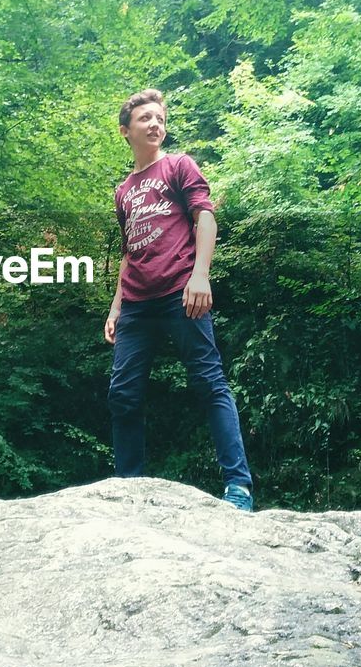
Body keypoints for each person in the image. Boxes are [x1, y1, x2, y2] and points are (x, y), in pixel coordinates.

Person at [103, 88, 254, 511]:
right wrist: (116, 307)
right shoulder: (123, 191)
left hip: (179, 295)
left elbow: (205, 216)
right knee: (123, 395)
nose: (155, 124)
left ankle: (238, 487)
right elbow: (129, 249)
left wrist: (200, 275)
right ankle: (128, 489)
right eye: (145, 118)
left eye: (160, 118)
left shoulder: (178, 165)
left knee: (210, 384)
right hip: (135, 304)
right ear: (125, 131)